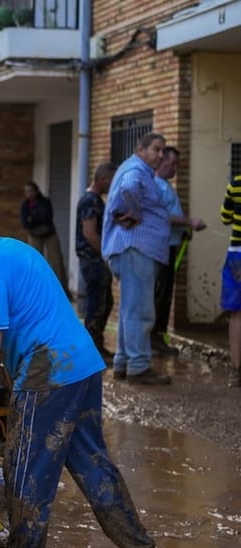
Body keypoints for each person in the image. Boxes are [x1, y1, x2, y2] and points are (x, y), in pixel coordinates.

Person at [0, 192, 165, 548]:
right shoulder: (17, 250)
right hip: (81, 365)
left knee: (25, 473)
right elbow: (12, 333)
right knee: (92, 464)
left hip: (47, 374)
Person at [102, 132, 171, 385]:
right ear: (140, 149)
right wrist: (136, 213)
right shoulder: (136, 170)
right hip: (136, 249)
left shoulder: (135, 168)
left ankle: (124, 362)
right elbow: (129, 188)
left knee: (130, 310)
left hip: (132, 250)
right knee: (140, 311)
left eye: (163, 150)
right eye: (156, 149)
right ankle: (139, 366)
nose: (161, 155)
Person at [152, 146, 207, 355]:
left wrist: (183, 230)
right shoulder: (155, 186)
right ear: (161, 161)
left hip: (171, 245)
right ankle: (153, 340)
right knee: (159, 294)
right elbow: (162, 216)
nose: (175, 168)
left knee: (166, 295)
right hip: (161, 248)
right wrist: (188, 222)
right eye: (171, 163)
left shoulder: (166, 186)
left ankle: (158, 337)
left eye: (177, 165)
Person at [75, 162, 116, 358]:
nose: (112, 186)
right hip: (93, 260)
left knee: (104, 303)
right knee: (97, 305)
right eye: (110, 181)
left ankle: (96, 346)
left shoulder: (96, 200)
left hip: (95, 260)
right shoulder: (90, 201)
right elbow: (90, 233)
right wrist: (106, 254)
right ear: (102, 179)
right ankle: (91, 351)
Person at [20, 181, 67, 293]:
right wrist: (34, 220)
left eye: (31, 191)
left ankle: (61, 289)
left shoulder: (44, 202)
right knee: (34, 261)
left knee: (56, 261)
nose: (29, 194)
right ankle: (37, 289)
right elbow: (25, 223)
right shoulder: (25, 205)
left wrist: (33, 219)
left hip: (49, 233)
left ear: (36, 191)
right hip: (34, 234)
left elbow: (46, 217)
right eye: (27, 192)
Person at [219, 172, 241, 388]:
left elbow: (225, 217)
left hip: (237, 254)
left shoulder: (235, 184)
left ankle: (236, 372)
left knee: (237, 314)